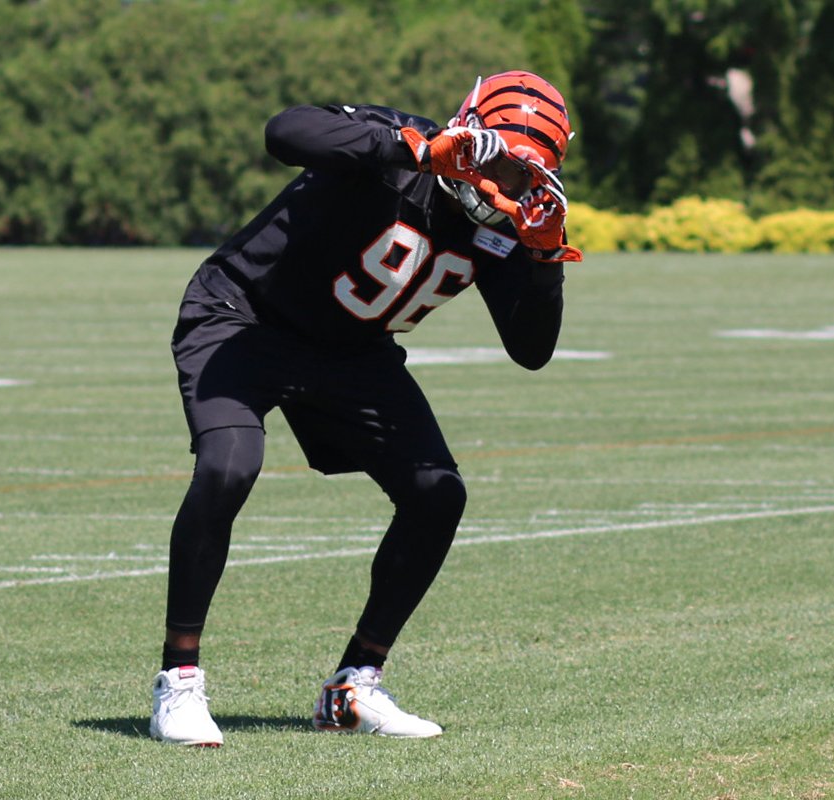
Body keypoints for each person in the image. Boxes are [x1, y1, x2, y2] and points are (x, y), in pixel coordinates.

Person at [150, 71, 581, 746]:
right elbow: (285, 130)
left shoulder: (505, 226)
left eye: (527, 172)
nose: (508, 182)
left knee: (438, 494)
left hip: (349, 350)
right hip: (245, 315)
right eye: (500, 157)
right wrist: (415, 150)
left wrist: (545, 255)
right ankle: (178, 681)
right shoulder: (402, 147)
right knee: (230, 464)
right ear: (470, 129)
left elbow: (531, 351)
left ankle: (356, 685)